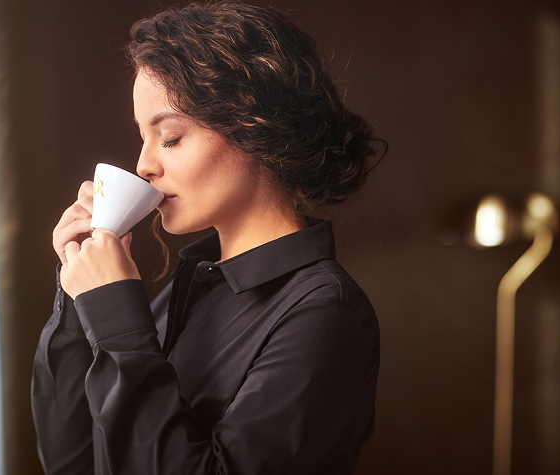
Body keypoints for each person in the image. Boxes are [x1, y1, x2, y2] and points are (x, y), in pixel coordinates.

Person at [31, 2, 380, 474]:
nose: (143, 165)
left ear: (257, 128)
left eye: (170, 137)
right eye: (143, 136)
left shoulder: (325, 313)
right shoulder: (189, 288)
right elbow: (70, 459)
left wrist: (116, 316)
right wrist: (82, 301)